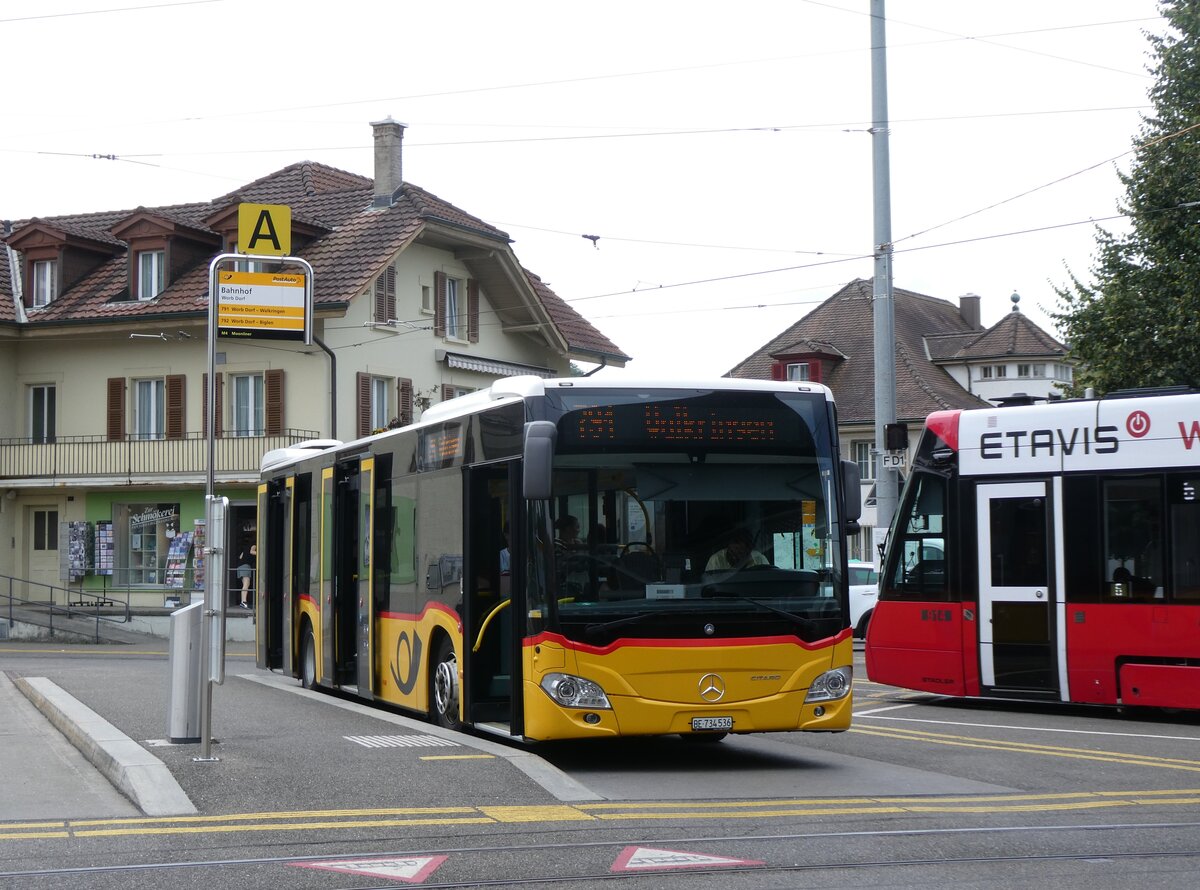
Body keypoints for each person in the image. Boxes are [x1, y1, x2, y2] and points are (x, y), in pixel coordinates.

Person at [236, 540, 257, 608]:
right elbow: (252, 551)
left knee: (245, 584)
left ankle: (243, 601)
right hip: (246, 566)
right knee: (246, 584)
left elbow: (240, 557)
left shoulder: (245, 548)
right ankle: (243, 602)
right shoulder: (254, 545)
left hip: (240, 566)